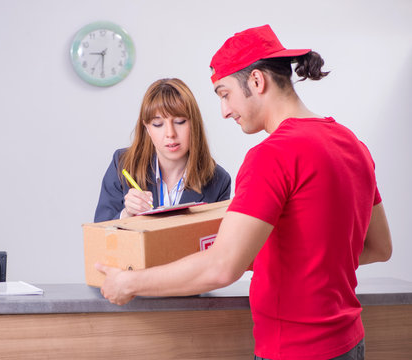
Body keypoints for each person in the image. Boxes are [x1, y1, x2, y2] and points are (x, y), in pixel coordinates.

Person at [95, 25, 392, 360]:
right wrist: (297, 263)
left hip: (293, 350)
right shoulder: (353, 144)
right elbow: (379, 247)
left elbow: (222, 268)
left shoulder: (271, 155)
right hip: (350, 342)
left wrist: (129, 284)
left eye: (224, 93)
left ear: (256, 81)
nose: (223, 110)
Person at [94, 78, 231, 223]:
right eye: (158, 124)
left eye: (180, 122)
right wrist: (126, 215)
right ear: (146, 127)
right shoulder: (123, 163)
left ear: (194, 123)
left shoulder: (219, 181)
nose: (170, 133)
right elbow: (99, 235)